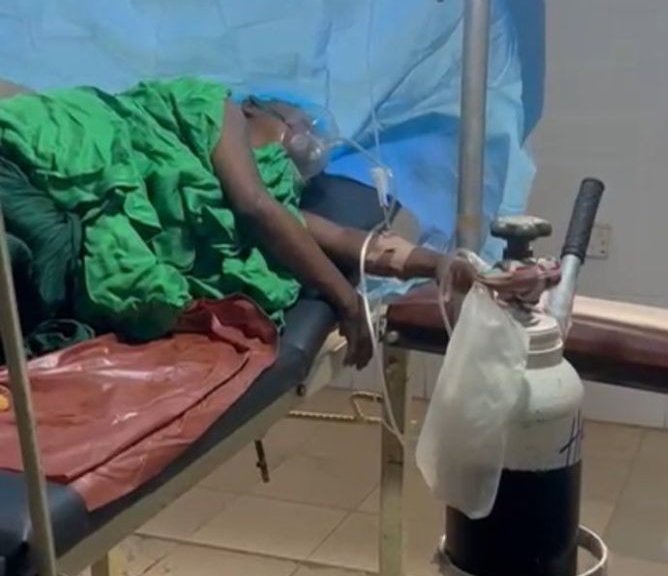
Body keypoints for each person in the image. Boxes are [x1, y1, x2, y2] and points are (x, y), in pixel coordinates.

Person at [0, 77, 474, 363]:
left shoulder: (276, 201)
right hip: (41, 157)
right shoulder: (217, 108)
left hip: (67, 221)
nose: (310, 138)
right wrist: (347, 302)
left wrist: (438, 264)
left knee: (40, 269)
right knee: (39, 246)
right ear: (255, 108)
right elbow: (254, 205)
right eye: (300, 122)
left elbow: (346, 238)